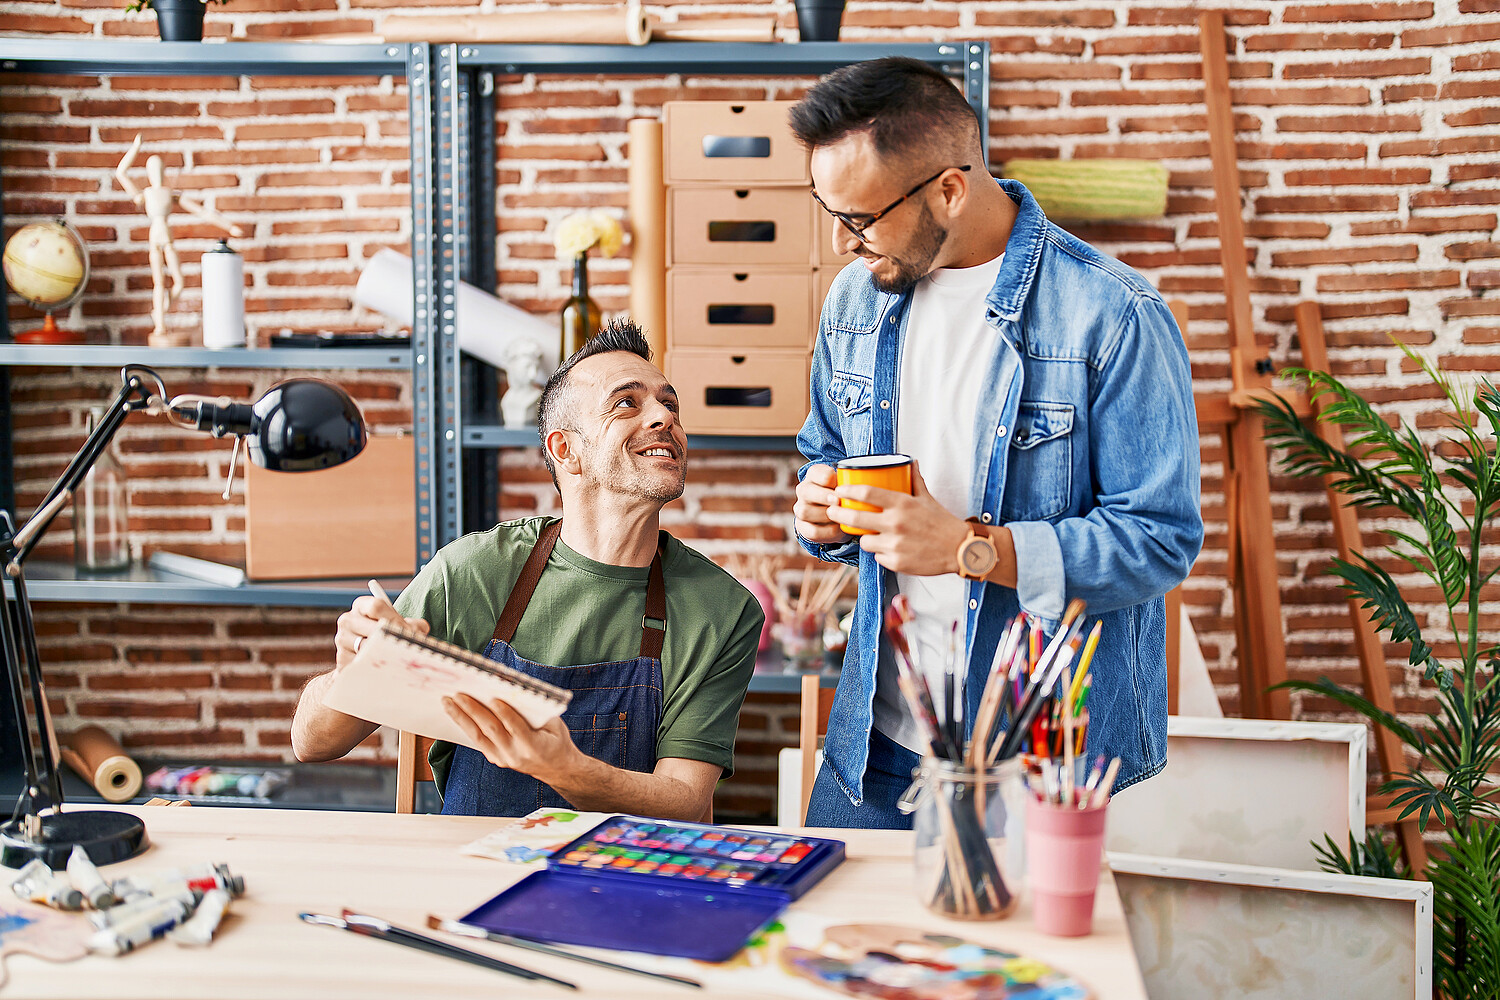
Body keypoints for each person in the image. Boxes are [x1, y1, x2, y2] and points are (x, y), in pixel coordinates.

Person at [789, 58, 1203, 828]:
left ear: (948, 189)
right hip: (877, 743)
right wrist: (818, 506)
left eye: (858, 218)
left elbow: (1160, 541)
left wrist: (970, 549)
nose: (842, 243)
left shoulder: (1113, 315)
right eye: (828, 209)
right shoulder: (856, 300)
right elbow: (823, 450)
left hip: (1042, 756)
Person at [292, 319, 763, 821]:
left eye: (670, 405)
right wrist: (357, 668)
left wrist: (566, 768)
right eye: (628, 402)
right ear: (567, 451)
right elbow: (314, 742)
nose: (663, 418)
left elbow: (686, 803)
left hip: (623, 880)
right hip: (474, 877)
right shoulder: (475, 572)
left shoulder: (722, 610)